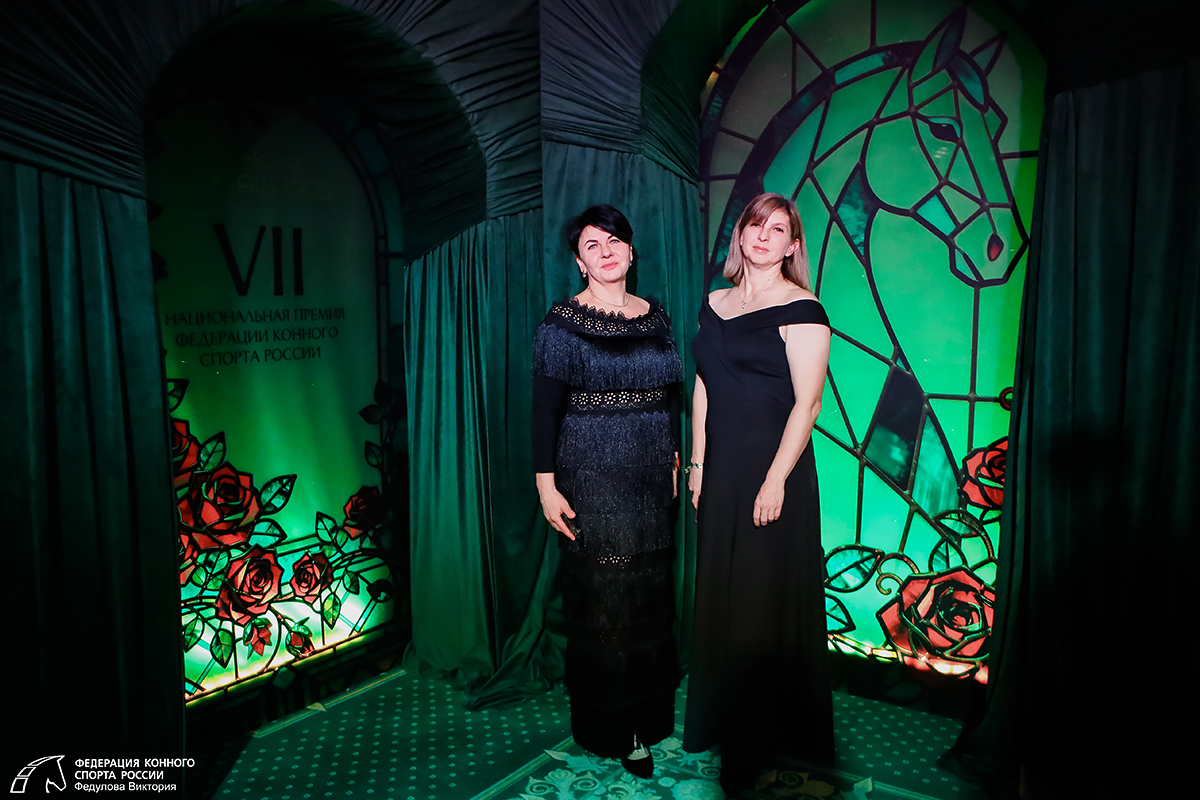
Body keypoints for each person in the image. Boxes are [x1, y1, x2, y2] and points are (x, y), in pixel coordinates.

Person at [683, 193, 835, 795]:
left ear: (793, 245)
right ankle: (724, 723)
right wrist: (699, 462)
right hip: (721, 471)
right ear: (740, 235)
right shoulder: (714, 303)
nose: (764, 235)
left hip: (776, 473)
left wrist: (775, 480)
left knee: (757, 606)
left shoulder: (804, 308)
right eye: (755, 224)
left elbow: (809, 404)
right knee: (722, 597)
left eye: (778, 229)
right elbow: (704, 385)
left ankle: (758, 745)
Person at [532, 204, 683, 778]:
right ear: (579, 262)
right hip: (591, 482)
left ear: (631, 250)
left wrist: (673, 456)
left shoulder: (655, 315)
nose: (607, 251)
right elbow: (543, 411)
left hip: (650, 483)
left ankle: (649, 715)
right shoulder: (561, 324)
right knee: (606, 605)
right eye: (592, 245)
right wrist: (546, 486)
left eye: (615, 240)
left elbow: (668, 396)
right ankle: (618, 729)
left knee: (648, 601)